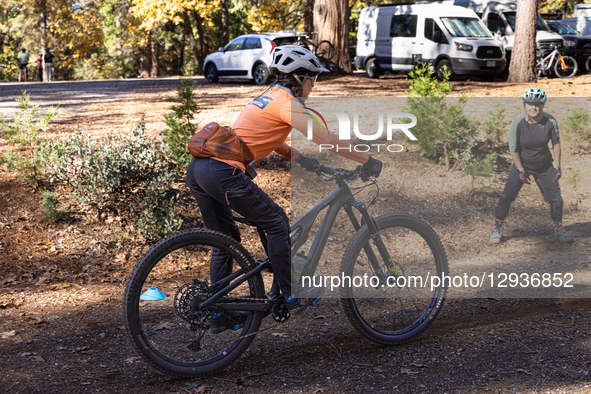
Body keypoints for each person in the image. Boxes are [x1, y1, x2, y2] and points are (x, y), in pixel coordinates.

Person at [186, 45, 383, 333]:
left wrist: (303, 160)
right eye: (313, 79)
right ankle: (291, 292)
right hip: (222, 172)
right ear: (300, 77)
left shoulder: (267, 98)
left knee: (225, 239)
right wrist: (367, 160)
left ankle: (216, 311)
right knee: (277, 221)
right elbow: (324, 137)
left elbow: (266, 137)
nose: (313, 86)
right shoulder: (288, 103)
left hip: (200, 169)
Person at [489, 88, 573, 244]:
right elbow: (513, 149)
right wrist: (521, 170)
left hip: (544, 166)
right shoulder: (518, 124)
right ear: (524, 105)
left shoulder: (550, 122)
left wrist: (558, 166)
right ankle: (496, 229)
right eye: (530, 104)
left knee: (556, 199)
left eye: (538, 104)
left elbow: (556, 143)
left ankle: (559, 230)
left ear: (543, 105)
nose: (534, 107)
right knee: (506, 197)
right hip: (522, 165)